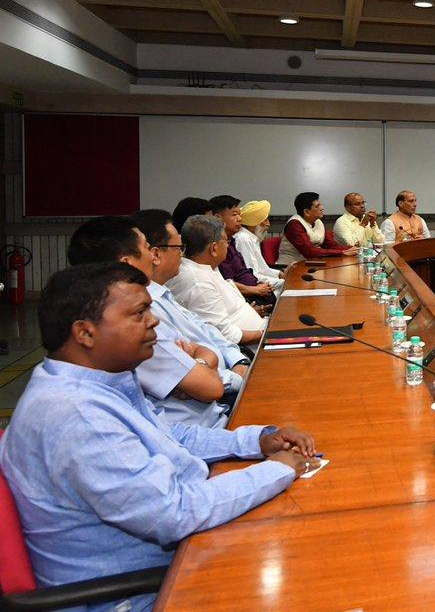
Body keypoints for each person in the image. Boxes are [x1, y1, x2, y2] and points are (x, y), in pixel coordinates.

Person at [0, 262, 317, 612]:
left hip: (176, 555)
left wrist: (255, 441)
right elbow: (175, 512)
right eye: (139, 313)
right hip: (139, 593)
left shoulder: (97, 381)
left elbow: (167, 436)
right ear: (85, 333)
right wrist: (278, 469)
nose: (154, 322)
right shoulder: (76, 414)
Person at [69, 214, 243, 428]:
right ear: (126, 265)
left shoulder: (153, 299)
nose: (153, 257)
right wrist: (206, 366)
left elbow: (206, 337)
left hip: (211, 416)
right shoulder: (130, 324)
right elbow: (210, 387)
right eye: (147, 248)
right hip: (209, 420)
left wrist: (201, 361)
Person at [168, 215, 268, 346]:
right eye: (226, 242)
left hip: (261, 330)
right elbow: (226, 336)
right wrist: (268, 333)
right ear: (214, 248)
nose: (228, 246)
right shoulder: (198, 282)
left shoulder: (207, 266)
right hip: (256, 348)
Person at [210, 195, 276, 303]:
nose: (240, 219)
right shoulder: (221, 246)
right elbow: (226, 283)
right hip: (247, 298)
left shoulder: (232, 241)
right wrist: (254, 290)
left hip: (258, 291)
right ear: (218, 218)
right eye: (234, 215)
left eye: (239, 214)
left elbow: (248, 271)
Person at [277, 192, 357, 265]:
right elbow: (310, 251)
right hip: (291, 267)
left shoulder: (317, 222)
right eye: (317, 206)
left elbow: (329, 245)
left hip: (311, 264)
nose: (322, 208)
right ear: (307, 212)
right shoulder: (294, 225)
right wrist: (342, 252)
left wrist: (351, 249)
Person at [233, 199, 284, 289]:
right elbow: (253, 275)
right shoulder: (243, 239)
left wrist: (279, 274)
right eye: (265, 220)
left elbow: (262, 269)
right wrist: (282, 282)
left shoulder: (252, 238)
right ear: (253, 223)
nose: (268, 224)